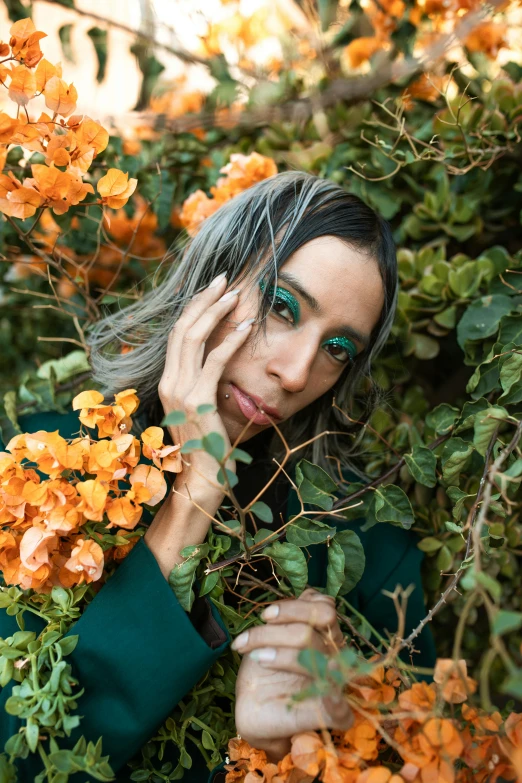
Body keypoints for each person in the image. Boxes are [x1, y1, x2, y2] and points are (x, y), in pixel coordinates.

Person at [0, 171, 436, 782]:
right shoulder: (36, 467)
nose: (295, 372)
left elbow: (421, 755)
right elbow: (22, 757)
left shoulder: (373, 552)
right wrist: (195, 492)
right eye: (283, 307)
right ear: (213, 281)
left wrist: (299, 750)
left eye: (338, 348)